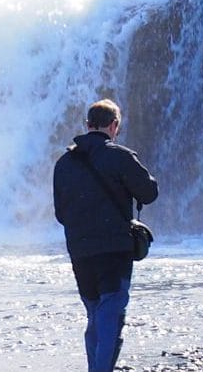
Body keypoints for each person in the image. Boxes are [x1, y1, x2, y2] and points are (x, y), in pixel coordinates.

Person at [54, 99, 159, 372]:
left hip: (79, 252)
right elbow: (149, 192)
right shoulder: (120, 156)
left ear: (87, 125)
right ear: (114, 126)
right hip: (114, 251)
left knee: (94, 314)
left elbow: (60, 214)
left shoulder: (63, 164)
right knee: (111, 315)